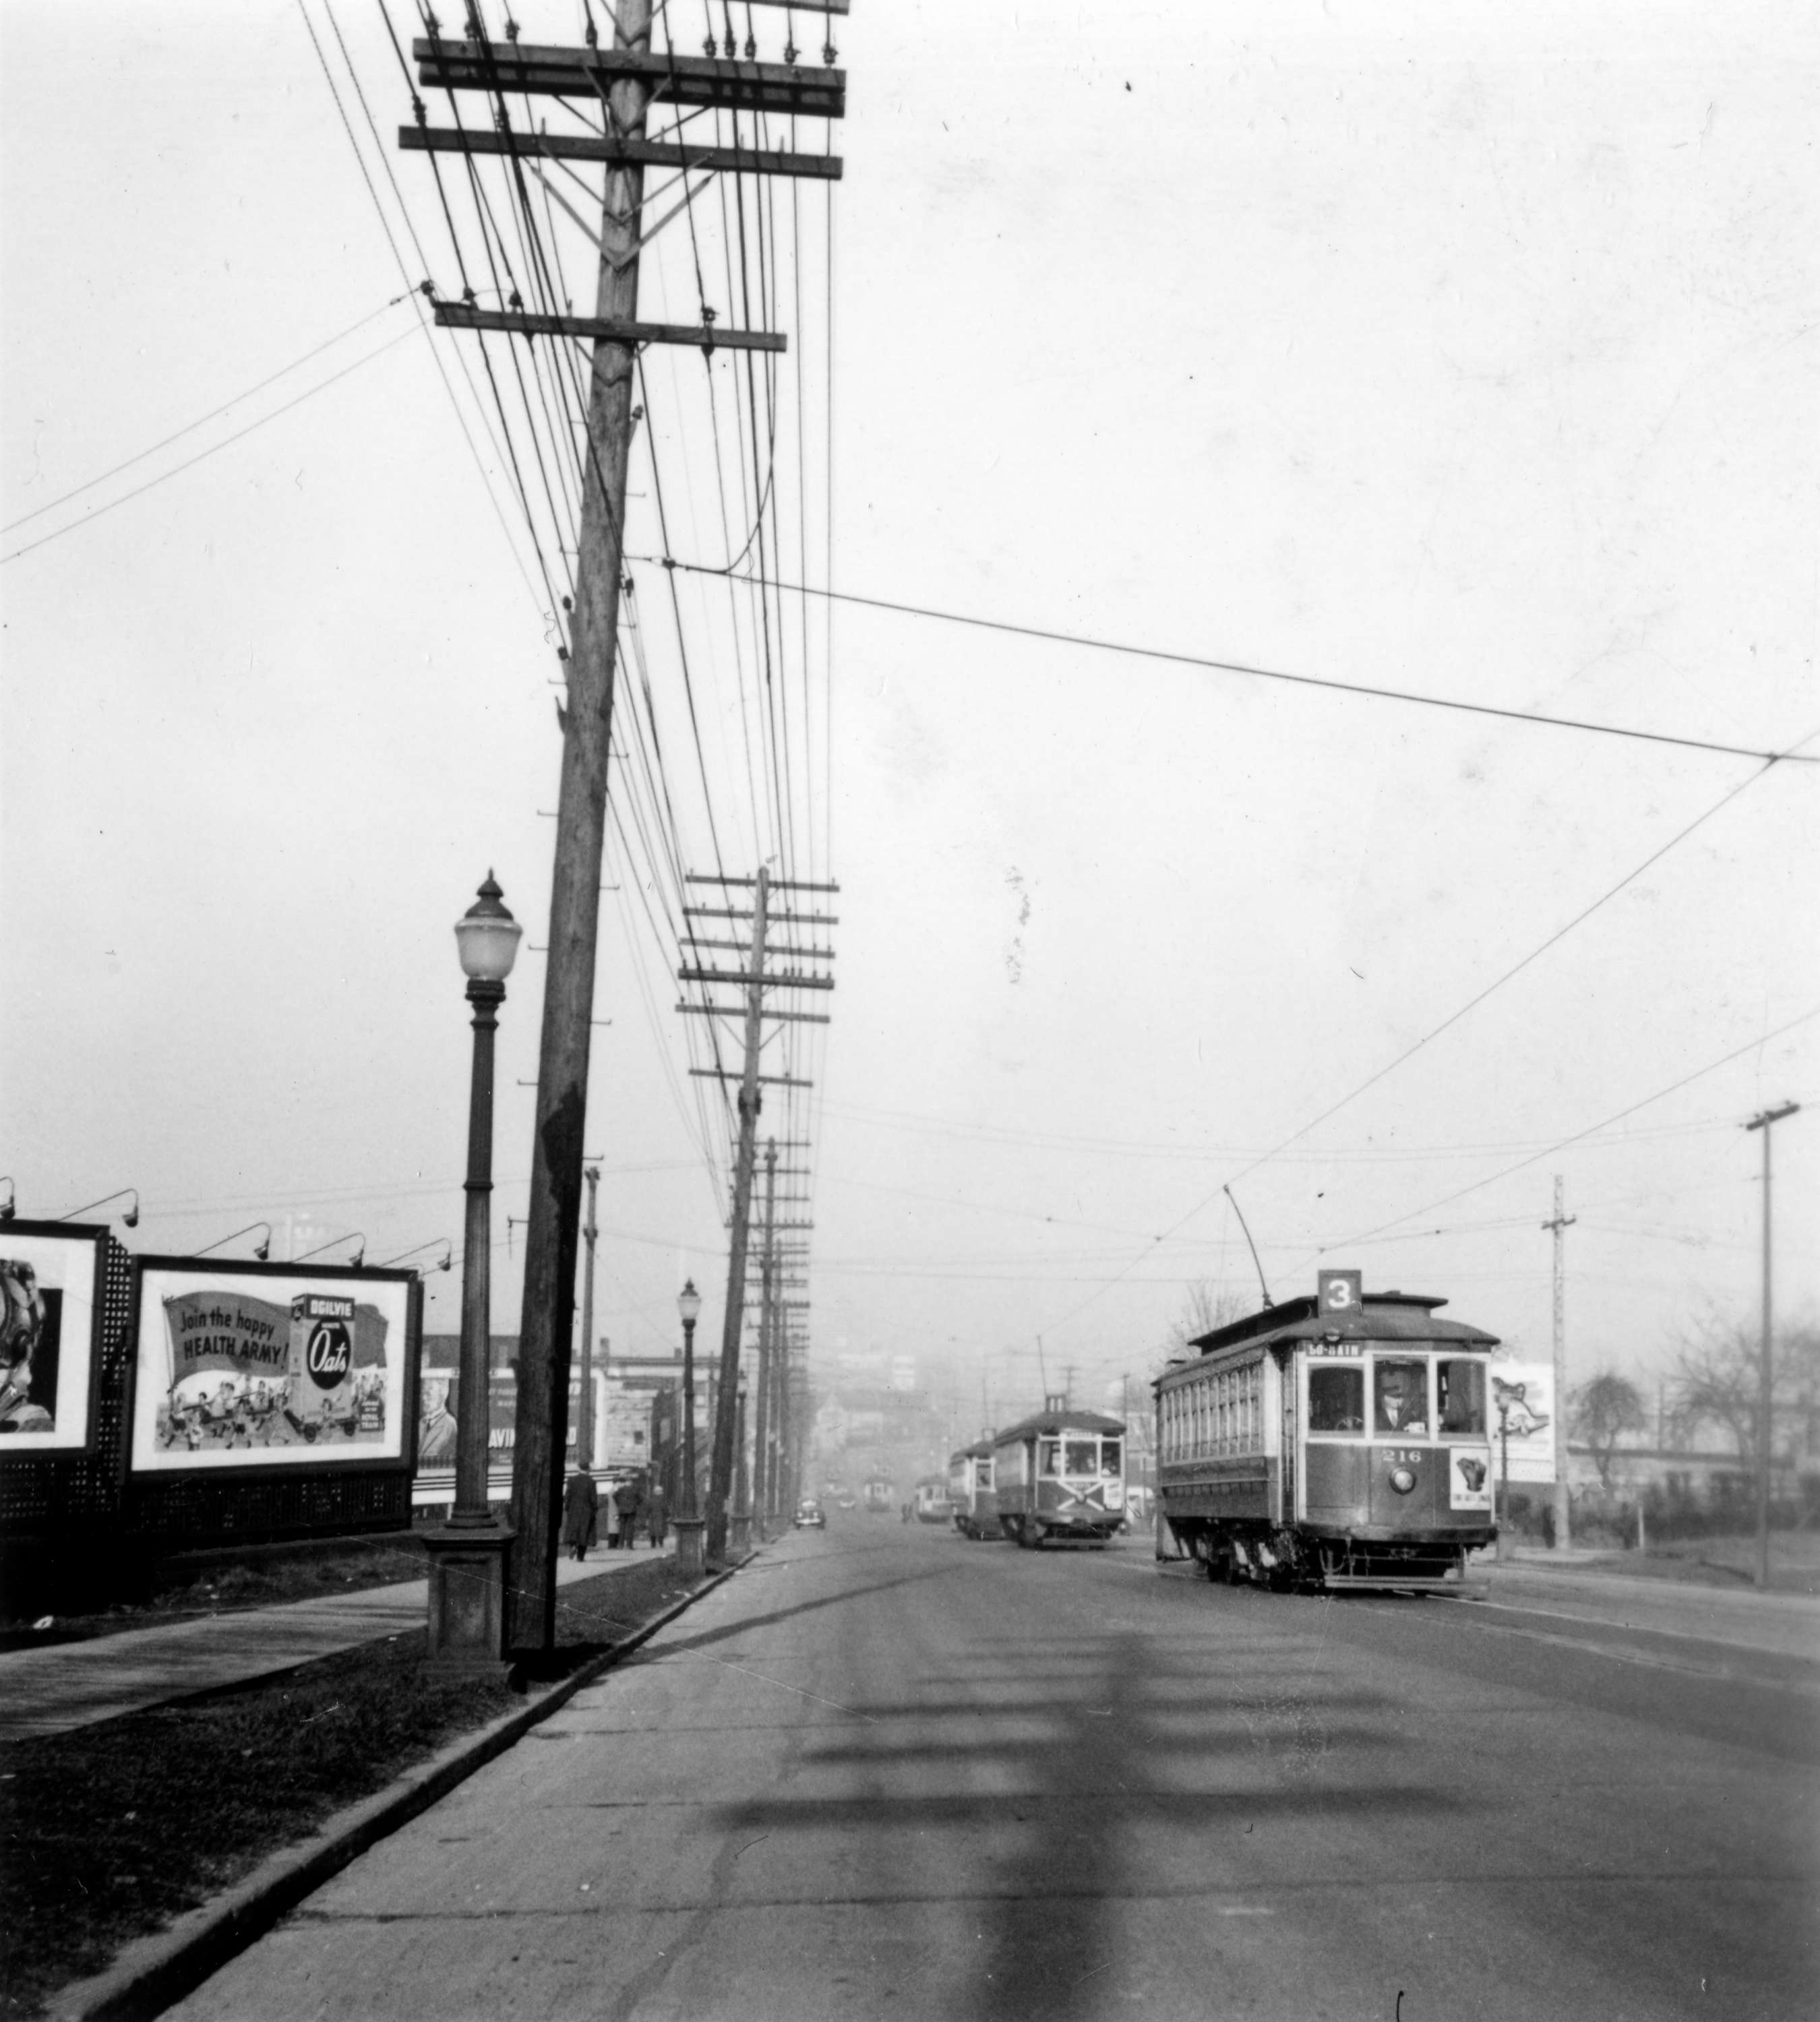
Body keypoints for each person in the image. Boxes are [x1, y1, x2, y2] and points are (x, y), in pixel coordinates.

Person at [562, 1468, 599, 1562]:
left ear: (579, 1468)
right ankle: (580, 1557)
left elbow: (567, 1496)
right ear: (588, 1470)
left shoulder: (571, 1480)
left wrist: (568, 1508)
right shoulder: (591, 1482)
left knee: (573, 1529)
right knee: (584, 1532)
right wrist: (595, 1509)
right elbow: (593, 1499)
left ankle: (573, 1545)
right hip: (586, 1510)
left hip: (574, 1509)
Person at [614, 1474, 642, 1548]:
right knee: (630, 1527)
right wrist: (636, 1504)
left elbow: (614, 1496)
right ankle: (629, 1545)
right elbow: (641, 1498)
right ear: (630, 1482)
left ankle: (620, 1544)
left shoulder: (620, 1489)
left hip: (622, 1510)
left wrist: (619, 1504)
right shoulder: (634, 1489)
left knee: (622, 1527)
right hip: (632, 1510)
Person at [645, 1482, 667, 1551]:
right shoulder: (663, 1500)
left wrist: (647, 1517)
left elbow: (648, 1509)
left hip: (652, 1517)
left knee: (652, 1530)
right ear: (660, 1492)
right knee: (661, 1530)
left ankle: (653, 1544)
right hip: (661, 1516)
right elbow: (665, 1508)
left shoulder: (651, 1499)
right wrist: (668, 1515)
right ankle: (661, 1543)